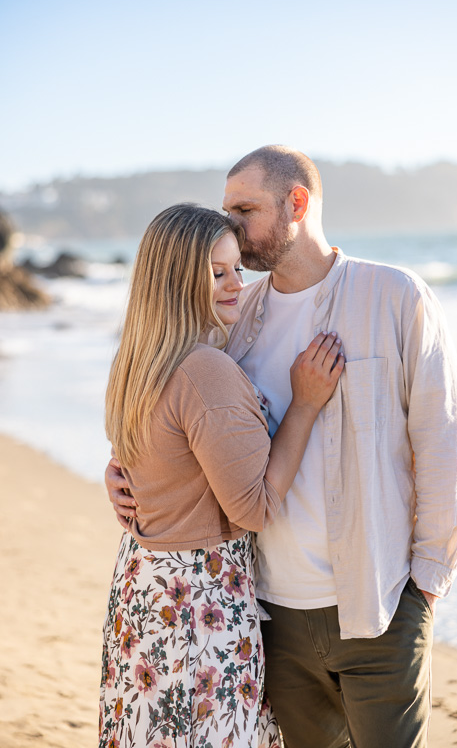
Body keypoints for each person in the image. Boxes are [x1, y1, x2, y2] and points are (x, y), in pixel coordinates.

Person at [106, 147, 457, 748]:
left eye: (243, 210)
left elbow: (445, 443)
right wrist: (125, 472)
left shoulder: (395, 297)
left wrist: (427, 585)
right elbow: (183, 414)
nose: (230, 226)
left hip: (377, 606)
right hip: (268, 610)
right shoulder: (233, 316)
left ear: (296, 204)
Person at [99, 202, 343, 748]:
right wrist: (304, 405)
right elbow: (253, 508)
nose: (237, 284)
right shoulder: (206, 369)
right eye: (217, 273)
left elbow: (146, 455)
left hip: (143, 591)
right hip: (197, 601)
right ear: (178, 278)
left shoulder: (136, 360)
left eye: (238, 268)